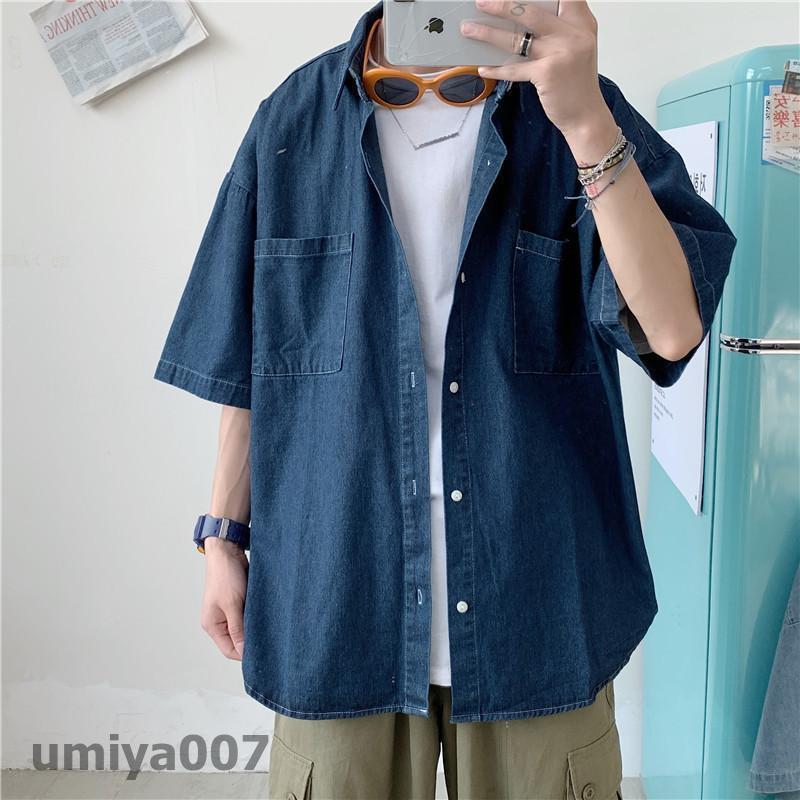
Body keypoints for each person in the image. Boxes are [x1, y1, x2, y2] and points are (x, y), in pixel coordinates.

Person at [153, 1, 737, 797]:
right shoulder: (292, 121)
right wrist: (223, 536)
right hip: (338, 593)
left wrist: (587, 124)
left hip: (536, 600)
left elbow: (671, 329)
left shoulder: (573, 107)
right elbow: (258, 358)